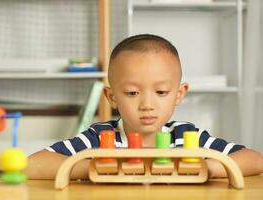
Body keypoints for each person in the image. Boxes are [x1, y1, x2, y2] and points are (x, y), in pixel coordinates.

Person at [26, 34, 263, 180]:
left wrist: (210, 167)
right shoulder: (100, 139)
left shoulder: (187, 137)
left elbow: (254, 159)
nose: (147, 105)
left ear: (179, 94)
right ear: (112, 97)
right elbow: (33, 164)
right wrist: (92, 168)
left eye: (161, 92)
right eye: (131, 93)